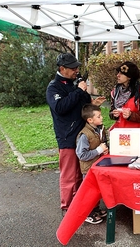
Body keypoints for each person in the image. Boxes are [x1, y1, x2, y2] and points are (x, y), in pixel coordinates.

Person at [46, 52, 105, 216]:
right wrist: (79, 91)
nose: (76, 71)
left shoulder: (75, 84)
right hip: (67, 137)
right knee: (70, 175)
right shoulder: (54, 87)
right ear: (62, 68)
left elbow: (82, 105)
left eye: (77, 68)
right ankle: (69, 209)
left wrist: (92, 103)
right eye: (73, 68)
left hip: (84, 135)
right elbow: (60, 108)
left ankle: (85, 207)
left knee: (84, 174)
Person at [76, 103, 109, 224]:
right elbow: (82, 155)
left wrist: (104, 150)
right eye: (99, 116)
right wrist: (98, 150)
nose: (102, 118)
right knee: (89, 193)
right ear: (90, 120)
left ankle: (95, 209)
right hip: (89, 169)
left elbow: (102, 143)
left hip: (97, 167)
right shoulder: (84, 135)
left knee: (96, 191)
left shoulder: (99, 129)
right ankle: (87, 214)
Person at [109, 61, 140, 144]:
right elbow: (111, 112)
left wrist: (131, 115)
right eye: (118, 73)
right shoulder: (115, 92)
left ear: (129, 77)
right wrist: (113, 114)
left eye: (121, 73)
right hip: (120, 132)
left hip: (136, 134)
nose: (118, 75)